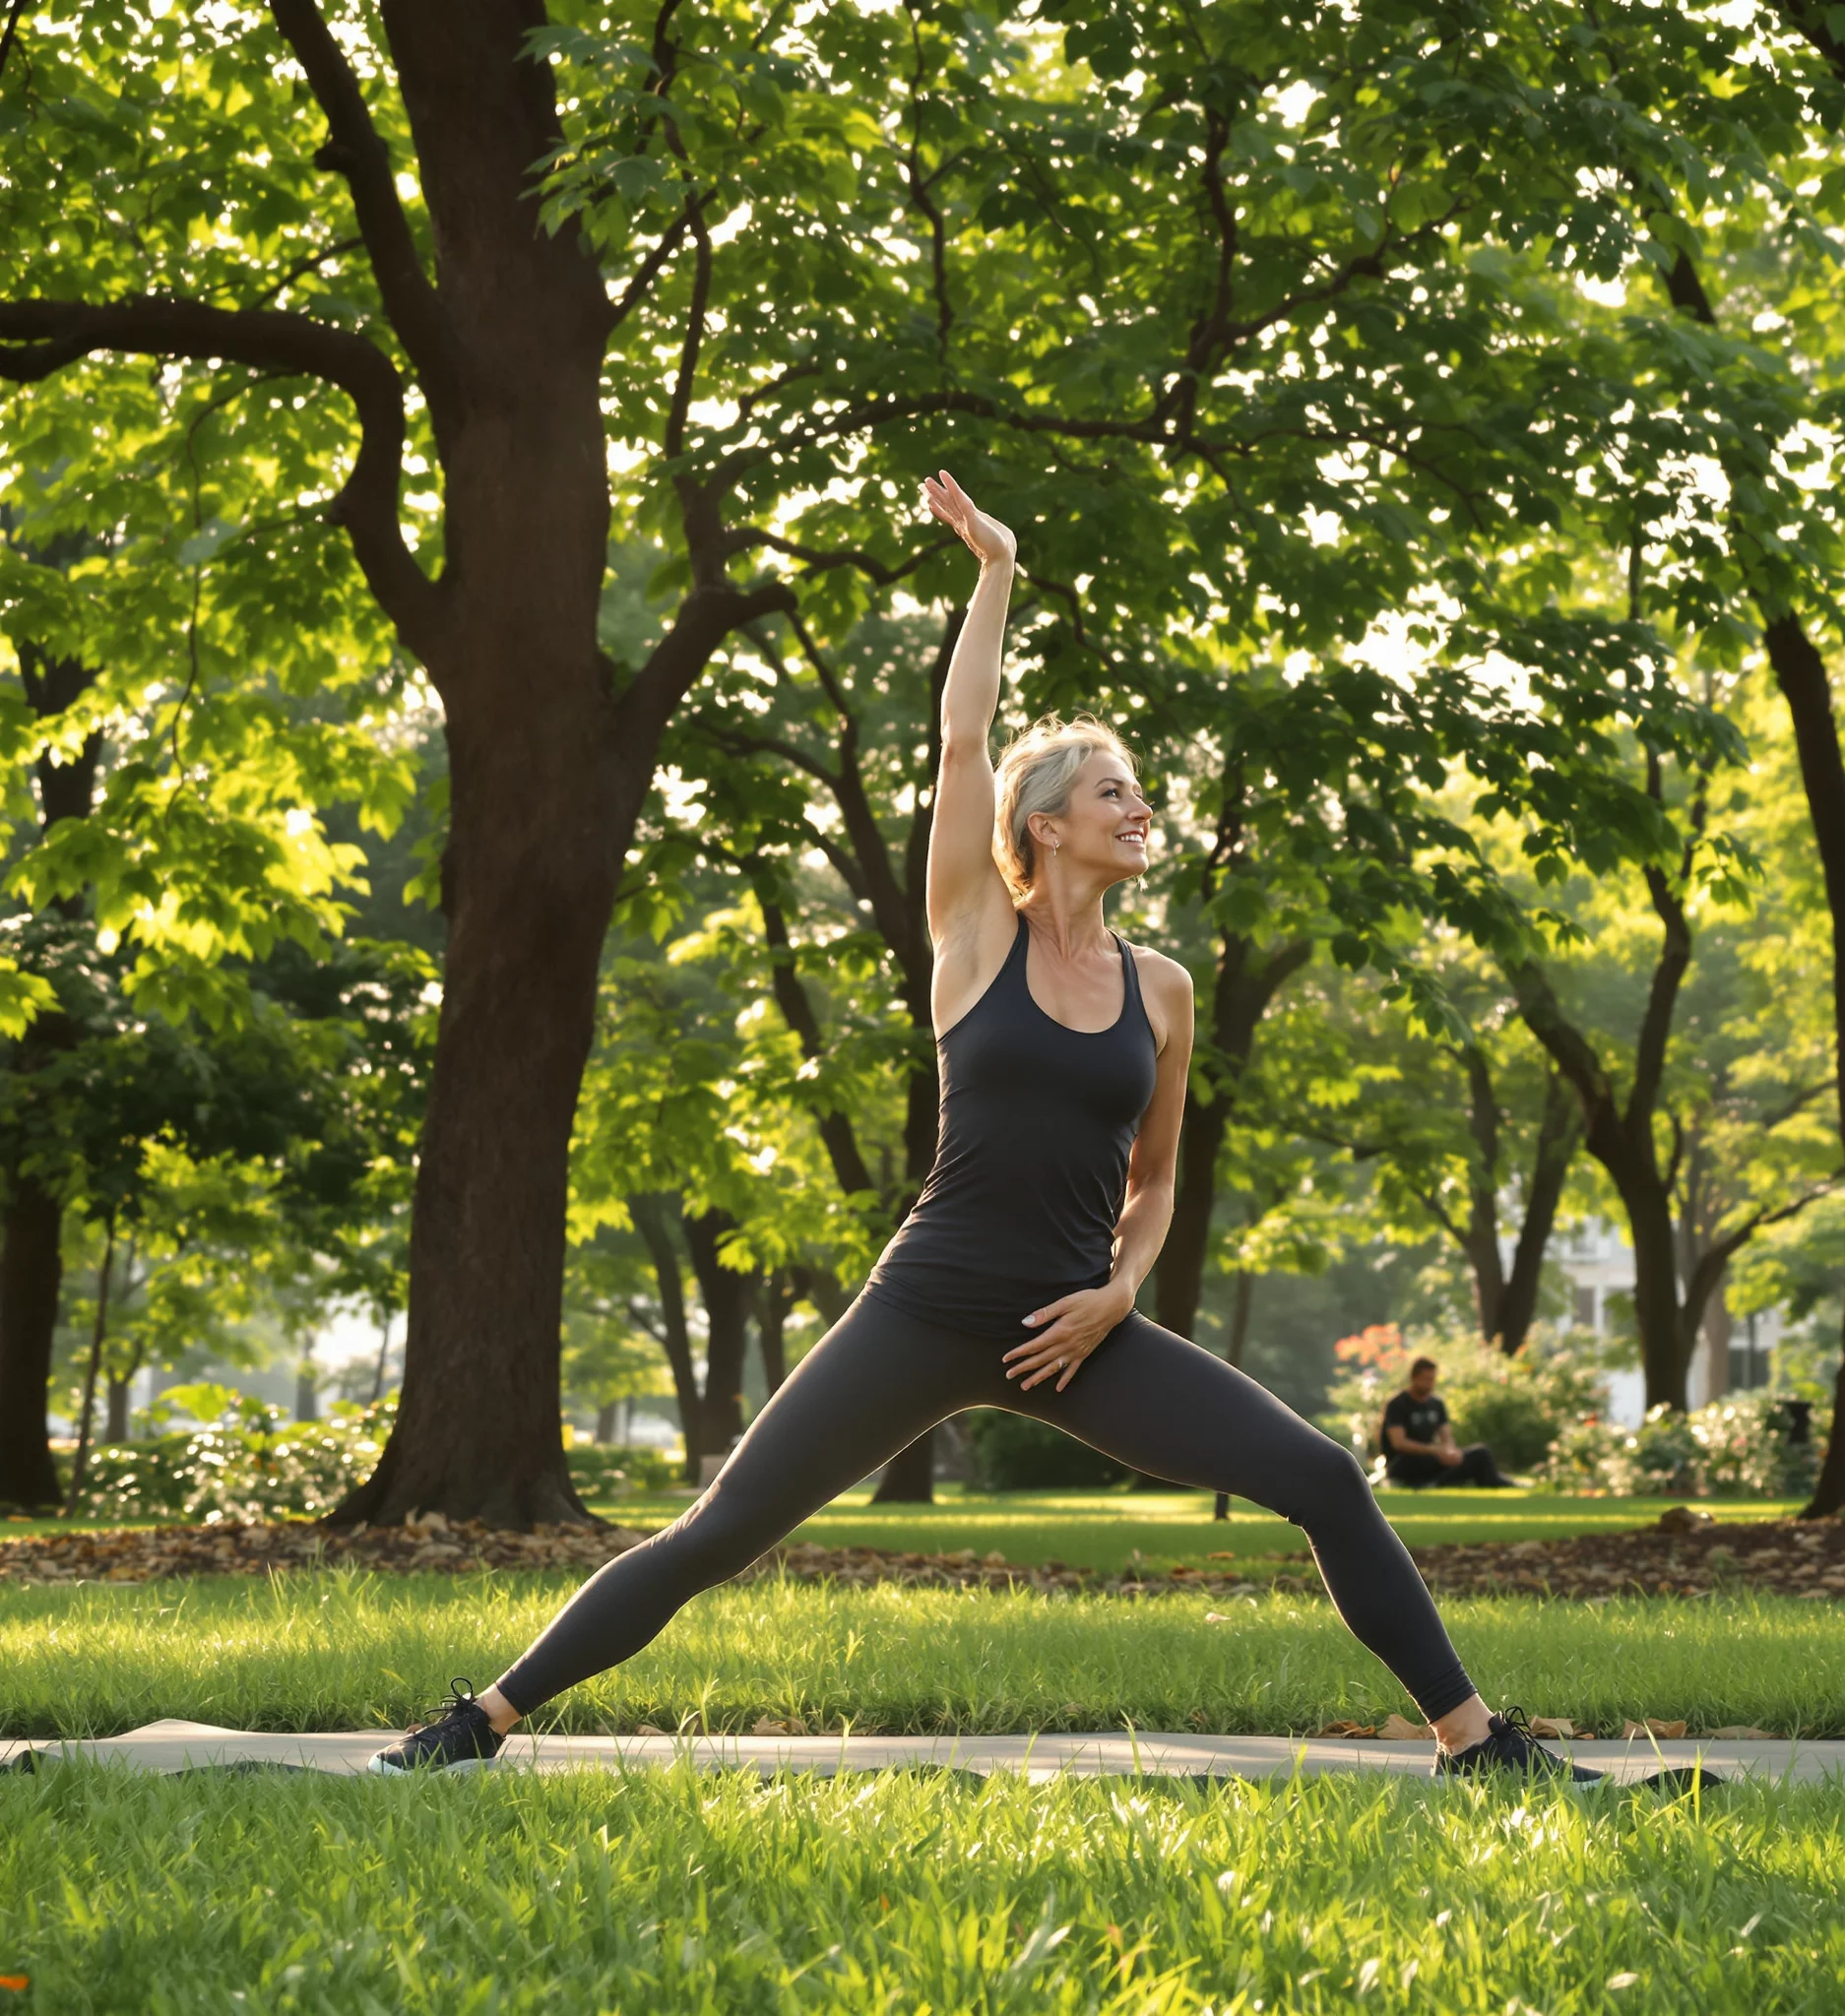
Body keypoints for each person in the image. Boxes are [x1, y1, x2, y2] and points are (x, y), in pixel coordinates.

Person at [370, 472, 1595, 1786]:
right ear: (1044, 824)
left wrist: (1117, 1297)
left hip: (1072, 1330)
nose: (1141, 811)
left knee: (1327, 1483)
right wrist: (995, 570)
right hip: (928, 1308)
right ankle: (480, 1719)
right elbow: (960, 745)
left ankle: (1477, 1746)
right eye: (1115, 793)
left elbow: (1159, 1182)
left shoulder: (1163, 991)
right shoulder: (973, 937)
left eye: (1142, 795)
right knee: (719, 1534)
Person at [1381, 1358, 1516, 1489]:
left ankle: (1440, 1482)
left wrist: (1450, 1453)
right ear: (1414, 1378)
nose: (1429, 1384)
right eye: (1425, 1379)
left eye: (1432, 1379)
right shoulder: (1397, 1404)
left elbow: (1446, 1436)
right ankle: (1438, 1481)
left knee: (1481, 1453)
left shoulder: (1436, 1404)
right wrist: (1435, 1450)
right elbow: (1399, 1443)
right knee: (1418, 1461)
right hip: (1406, 1461)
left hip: (1434, 1458)